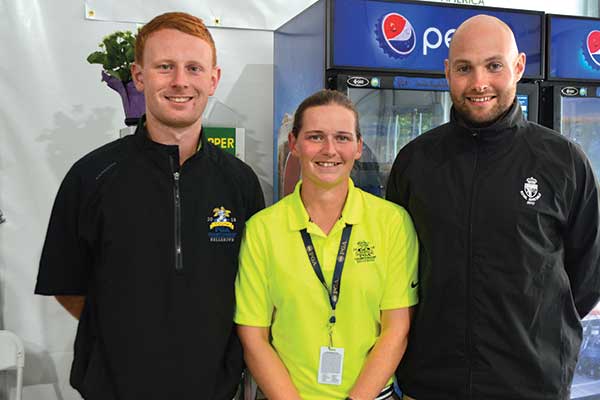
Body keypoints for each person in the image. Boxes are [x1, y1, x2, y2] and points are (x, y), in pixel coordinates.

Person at [35, 12, 264, 400]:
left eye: (193, 68)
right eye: (165, 67)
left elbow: (255, 289)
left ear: (213, 79)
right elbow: (68, 286)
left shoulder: (240, 182)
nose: (180, 81)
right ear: (139, 77)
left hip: (214, 390)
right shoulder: (91, 176)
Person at [386, 14, 600, 400]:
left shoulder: (563, 161)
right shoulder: (415, 162)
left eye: (494, 65)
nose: (479, 82)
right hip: (431, 384)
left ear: (518, 67)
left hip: (532, 384)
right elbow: (395, 272)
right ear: (447, 72)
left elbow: (585, 277)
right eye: (465, 68)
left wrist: (537, 330)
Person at [235, 89, 419, 400]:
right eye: (316, 137)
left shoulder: (392, 223)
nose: (330, 149)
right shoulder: (262, 230)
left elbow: (396, 330)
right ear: (294, 143)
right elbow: (253, 337)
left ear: (359, 147)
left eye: (343, 138)